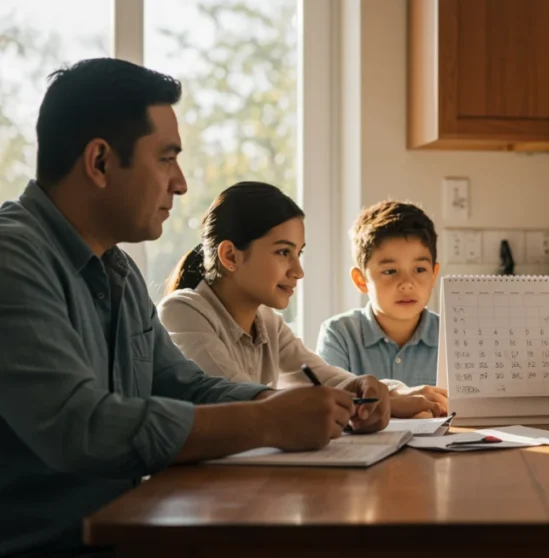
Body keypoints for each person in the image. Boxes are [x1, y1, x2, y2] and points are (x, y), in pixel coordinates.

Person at [0, 58, 368, 557]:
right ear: (100, 162)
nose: (181, 183)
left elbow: (182, 384)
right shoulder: (12, 258)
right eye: (166, 158)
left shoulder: (119, 272)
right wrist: (268, 422)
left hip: (128, 528)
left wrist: (273, 404)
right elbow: (78, 425)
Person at [159, 185, 444, 418]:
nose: (298, 271)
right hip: (194, 483)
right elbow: (239, 398)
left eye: (299, 254)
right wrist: (381, 404)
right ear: (231, 256)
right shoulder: (182, 311)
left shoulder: (268, 323)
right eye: (283, 252)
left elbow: (329, 378)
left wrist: (387, 391)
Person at [316, 201, 448, 413]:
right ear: (360, 280)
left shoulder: (450, 335)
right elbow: (330, 403)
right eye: (390, 271)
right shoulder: (339, 333)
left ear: (434, 274)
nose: (407, 283)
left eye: (420, 269)